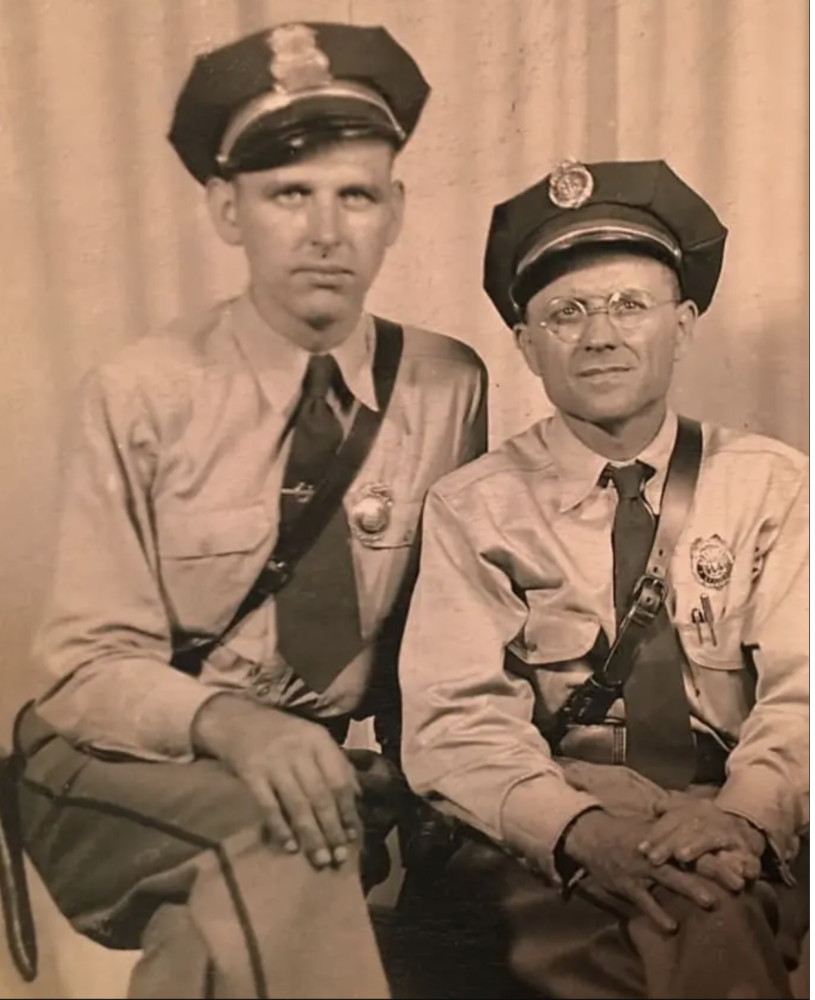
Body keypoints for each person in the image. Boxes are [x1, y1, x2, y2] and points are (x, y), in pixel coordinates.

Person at [1, 21, 488, 1000]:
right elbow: (84, 665)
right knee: (284, 847)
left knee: (211, 944)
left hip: (306, 777)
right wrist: (234, 726)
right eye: (287, 195)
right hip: (115, 765)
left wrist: (420, 776)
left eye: (356, 195)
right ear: (228, 210)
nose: (324, 232)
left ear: (395, 211)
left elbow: (443, 628)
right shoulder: (142, 392)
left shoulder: (445, 384)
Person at [397, 158, 809, 999]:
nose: (599, 336)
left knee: (708, 905)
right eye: (566, 313)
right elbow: (454, 720)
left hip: (730, 811)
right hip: (550, 821)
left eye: (629, 305)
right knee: (692, 919)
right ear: (526, 345)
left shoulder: (774, 487)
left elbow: (804, 693)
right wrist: (577, 830)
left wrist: (740, 816)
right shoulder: (474, 507)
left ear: (682, 325)